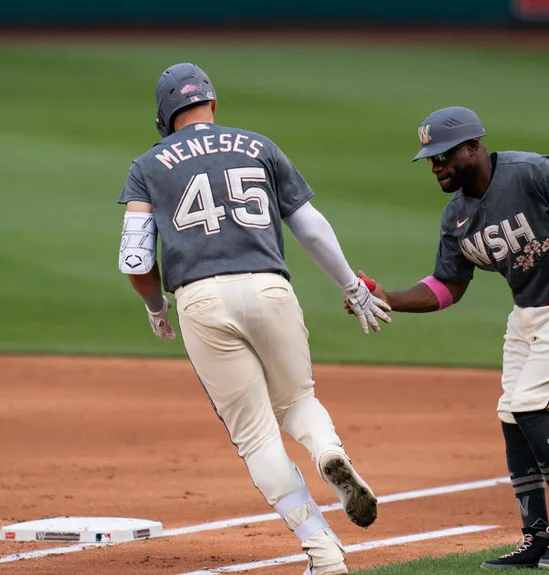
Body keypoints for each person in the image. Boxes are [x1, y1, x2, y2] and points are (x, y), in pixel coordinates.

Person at [116, 62, 391, 575]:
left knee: (257, 437)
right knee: (298, 401)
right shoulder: (258, 145)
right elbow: (310, 227)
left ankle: (322, 552)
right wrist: (352, 287)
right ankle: (329, 452)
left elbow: (134, 260)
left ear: (164, 115)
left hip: (200, 301)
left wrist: (156, 307)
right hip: (271, 287)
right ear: (212, 104)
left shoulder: (147, 166)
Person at [353, 106, 549, 569]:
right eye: (431, 159)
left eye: (443, 156)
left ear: (474, 147)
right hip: (527, 314)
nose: (436, 166)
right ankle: (536, 534)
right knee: (512, 414)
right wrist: (388, 298)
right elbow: (447, 285)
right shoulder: (457, 216)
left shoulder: (532, 172)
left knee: (532, 404)